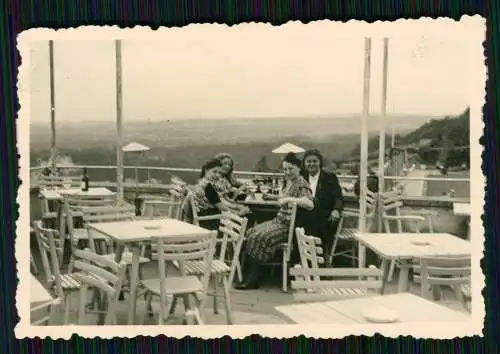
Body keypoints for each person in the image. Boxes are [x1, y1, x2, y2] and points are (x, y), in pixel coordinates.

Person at [234, 153, 314, 290]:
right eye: (285, 169)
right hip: (279, 220)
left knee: (259, 237)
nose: (287, 172)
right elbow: (285, 196)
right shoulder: (291, 183)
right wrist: (272, 196)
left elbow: (309, 203)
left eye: (290, 169)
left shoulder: (302, 184)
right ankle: (250, 273)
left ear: (299, 168)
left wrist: (290, 200)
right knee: (251, 231)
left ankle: (254, 278)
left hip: (287, 226)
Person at [301, 149, 344, 265]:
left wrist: (336, 210)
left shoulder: (330, 178)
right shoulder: (301, 178)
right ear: (304, 163)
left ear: (320, 162)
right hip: (304, 215)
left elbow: (338, 198)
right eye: (308, 161)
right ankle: (307, 261)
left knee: (316, 221)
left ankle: (319, 261)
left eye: (314, 161)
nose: (311, 164)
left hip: (325, 217)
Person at [190, 158, 249, 230]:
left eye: (219, 173)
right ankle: (242, 239)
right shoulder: (207, 187)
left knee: (246, 215)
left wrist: (237, 207)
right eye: (214, 172)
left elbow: (219, 202)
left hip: (208, 217)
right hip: (208, 222)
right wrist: (239, 213)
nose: (217, 175)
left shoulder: (204, 183)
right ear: (206, 170)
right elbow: (222, 207)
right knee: (247, 217)